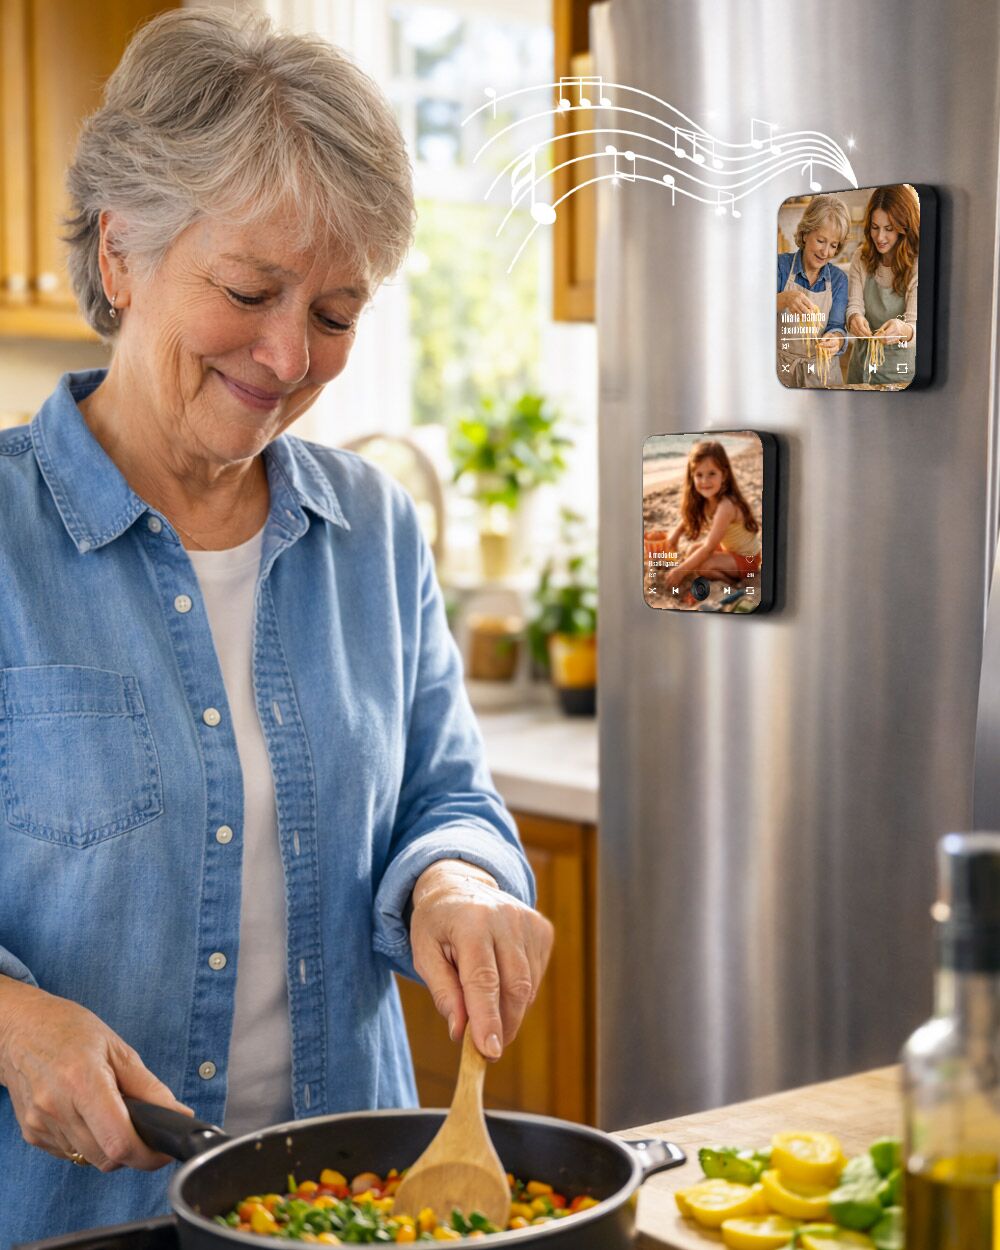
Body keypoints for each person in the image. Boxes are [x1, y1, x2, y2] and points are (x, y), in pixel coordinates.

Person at [0, 10, 552, 1245]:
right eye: (250, 290)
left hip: (346, 1207)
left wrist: (457, 878)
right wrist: (13, 1023)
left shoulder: (374, 532)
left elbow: (447, 796)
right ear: (123, 252)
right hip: (65, 1218)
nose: (290, 354)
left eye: (338, 312)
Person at [662, 442, 761, 592]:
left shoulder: (726, 506)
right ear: (692, 476)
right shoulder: (707, 499)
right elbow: (690, 516)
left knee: (704, 567)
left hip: (747, 560)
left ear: (724, 475)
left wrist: (680, 571)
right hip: (729, 550)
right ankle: (725, 573)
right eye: (699, 475)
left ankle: (732, 584)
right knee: (691, 550)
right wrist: (676, 534)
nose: (704, 481)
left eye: (712, 474)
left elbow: (708, 548)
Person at [846, 184, 919, 386]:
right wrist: (854, 318)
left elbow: (916, 326)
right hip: (861, 370)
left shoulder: (917, 263)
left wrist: (902, 329)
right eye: (875, 227)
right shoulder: (861, 257)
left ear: (904, 228)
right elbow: (854, 305)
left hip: (901, 375)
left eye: (889, 229)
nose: (880, 237)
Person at [776, 194, 851, 387]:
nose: (825, 252)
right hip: (784, 373)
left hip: (823, 375)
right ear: (805, 234)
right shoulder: (780, 267)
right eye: (821, 240)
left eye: (833, 245)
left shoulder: (839, 280)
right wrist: (783, 299)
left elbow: (837, 326)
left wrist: (835, 340)